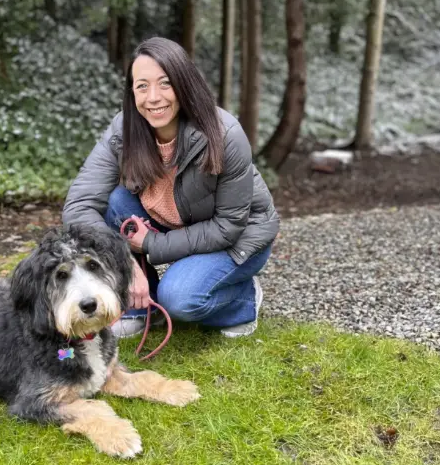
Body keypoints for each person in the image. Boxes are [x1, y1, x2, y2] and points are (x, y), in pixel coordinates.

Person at [62, 37, 279, 339]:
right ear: (132, 91)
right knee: (116, 201)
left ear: (184, 83)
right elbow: (79, 204)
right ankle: (140, 305)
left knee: (179, 298)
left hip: (238, 238)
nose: (153, 97)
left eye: (165, 84)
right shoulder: (123, 129)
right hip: (178, 223)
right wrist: (122, 260)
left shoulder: (225, 134)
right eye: (142, 86)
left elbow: (229, 226)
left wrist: (150, 244)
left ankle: (243, 299)